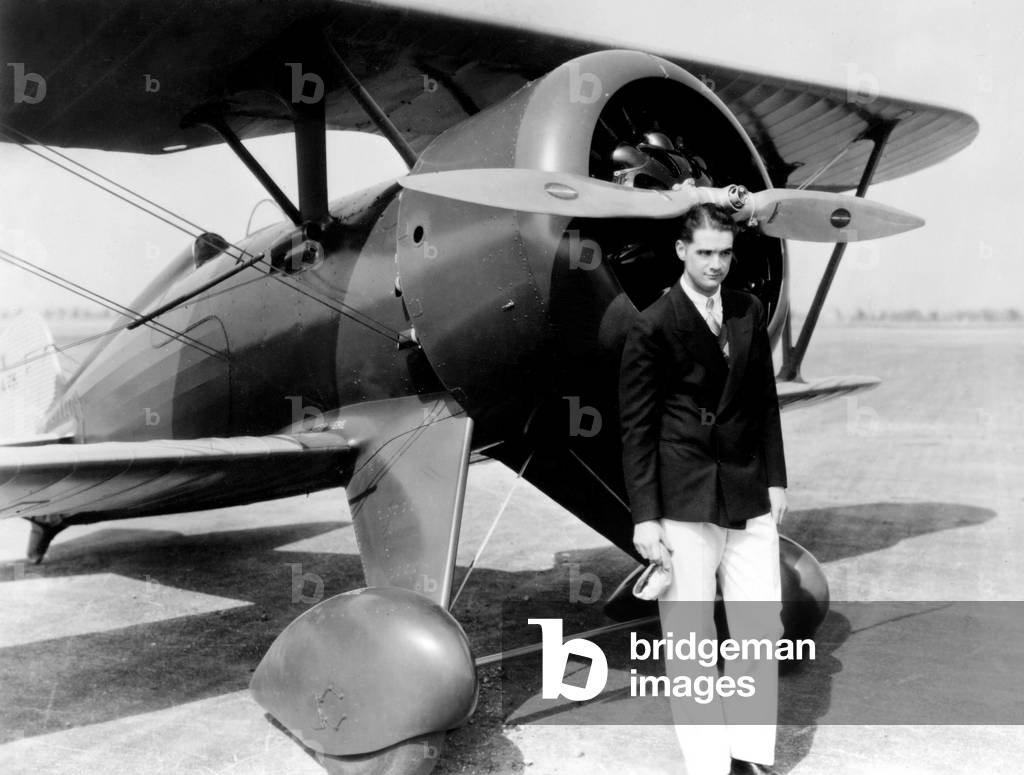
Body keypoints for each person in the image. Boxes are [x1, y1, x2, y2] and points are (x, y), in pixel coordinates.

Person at [618, 203, 787, 775]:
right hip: (684, 501)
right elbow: (636, 428)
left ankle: (751, 755)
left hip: (748, 492)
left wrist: (777, 479)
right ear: (682, 251)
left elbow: (764, 402)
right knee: (691, 640)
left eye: (725, 253)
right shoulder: (653, 325)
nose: (717, 264)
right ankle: (710, 765)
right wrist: (645, 517)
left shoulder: (747, 310)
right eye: (706, 252)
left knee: (761, 629)